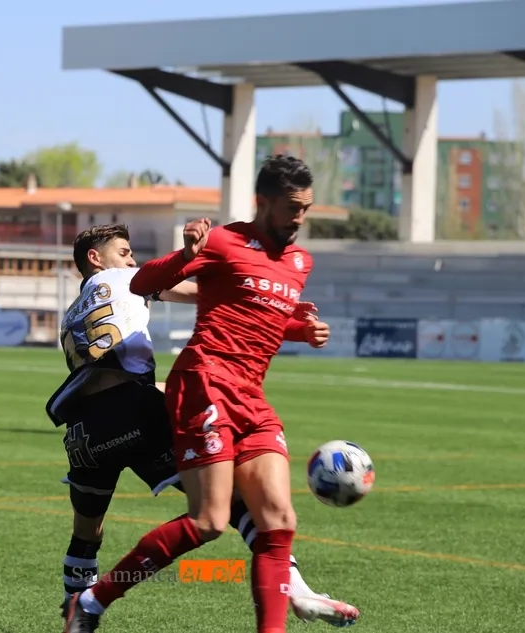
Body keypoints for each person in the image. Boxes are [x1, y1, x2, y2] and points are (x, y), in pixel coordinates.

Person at [64, 156, 357, 633]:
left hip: (251, 396)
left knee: (278, 521)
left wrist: (299, 330)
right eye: (291, 208)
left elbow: (253, 315)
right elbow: (142, 282)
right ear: (263, 203)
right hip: (205, 382)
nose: (300, 218)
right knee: (209, 521)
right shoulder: (223, 240)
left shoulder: (301, 262)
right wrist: (184, 254)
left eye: (306, 208)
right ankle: (94, 600)